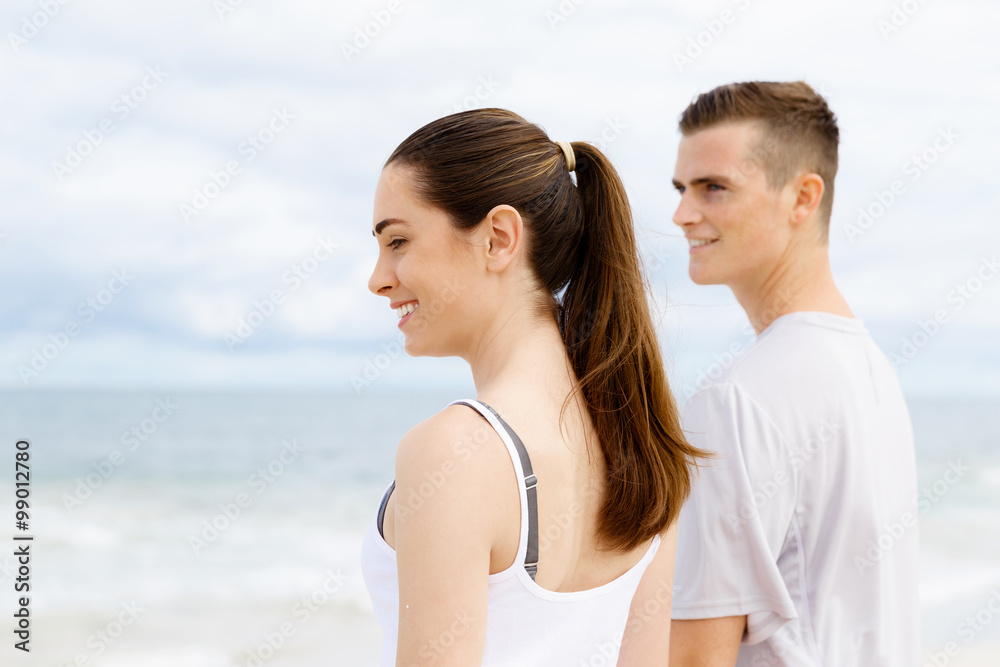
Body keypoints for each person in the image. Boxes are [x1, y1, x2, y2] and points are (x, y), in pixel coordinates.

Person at [360, 108, 704, 666]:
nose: (378, 279)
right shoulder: (643, 446)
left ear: (498, 238)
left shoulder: (453, 451)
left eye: (397, 240)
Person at [667, 81, 919, 665]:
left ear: (803, 197)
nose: (682, 215)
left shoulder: (735, 400)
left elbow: (695, 659)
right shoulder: (872, 373)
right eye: (681, 189)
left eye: (713, 188)